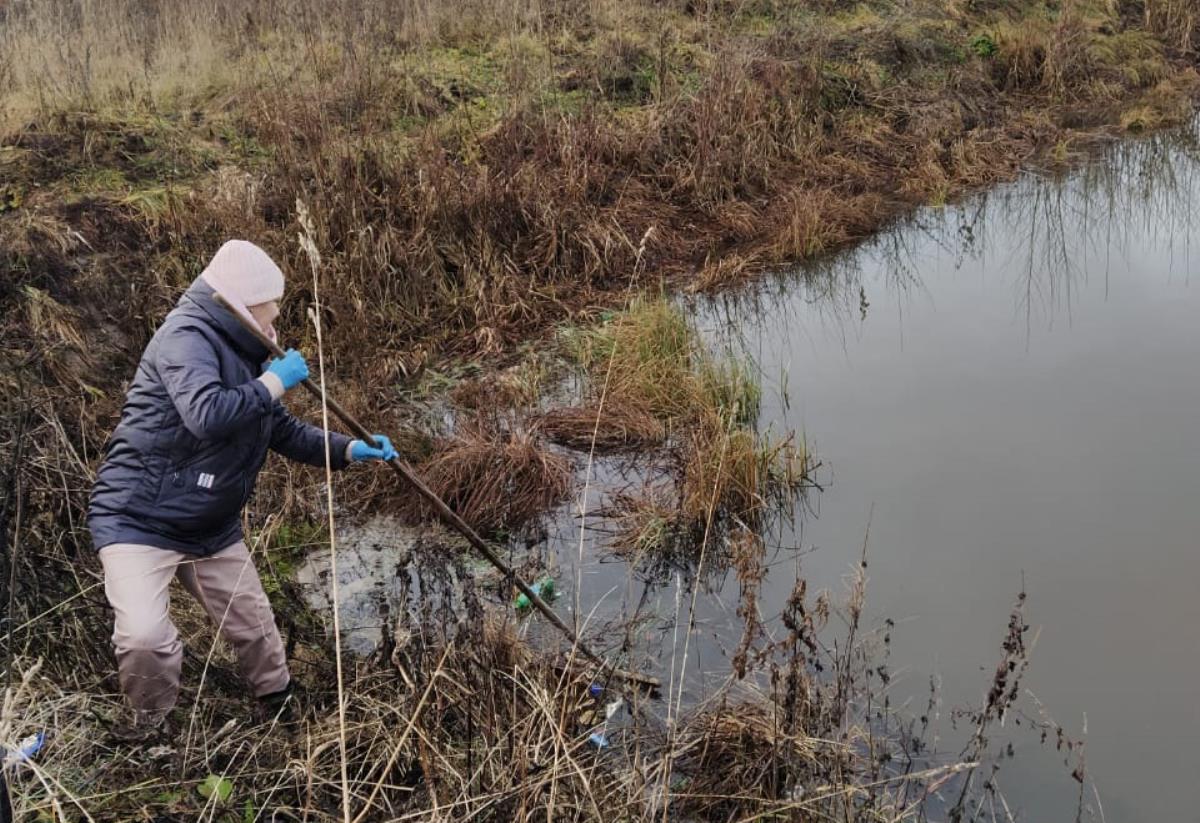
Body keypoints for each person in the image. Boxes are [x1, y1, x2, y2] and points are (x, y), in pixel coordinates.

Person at [87, 240, 397, 738]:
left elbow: (281, 431)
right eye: (265, 314)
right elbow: (206, 414)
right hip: (138, 520)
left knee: (255, 627)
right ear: (236, 304)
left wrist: (349, 450)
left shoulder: (245, 349)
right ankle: (149, 731)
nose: (273, 326)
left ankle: (280, 714)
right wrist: (274, 381)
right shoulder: (185, 338)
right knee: (147, 637)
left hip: (211, 525)